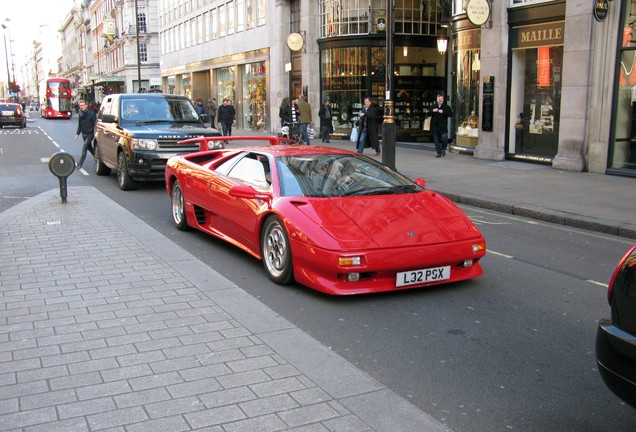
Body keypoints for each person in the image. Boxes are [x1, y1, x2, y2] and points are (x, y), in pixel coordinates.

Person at [74, 100, 96, 169]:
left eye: (83, 105)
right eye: (80, 106)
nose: (82, 107)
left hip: (90, 133)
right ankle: (98, 158)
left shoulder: (91, 114)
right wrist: (77, 134)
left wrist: (95, 133)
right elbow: (80, 125)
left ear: (86, 106)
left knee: (84, 147)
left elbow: (95, 124)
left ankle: (80, 164)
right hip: (84, 134)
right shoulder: (80, 114)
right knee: (89, 148)